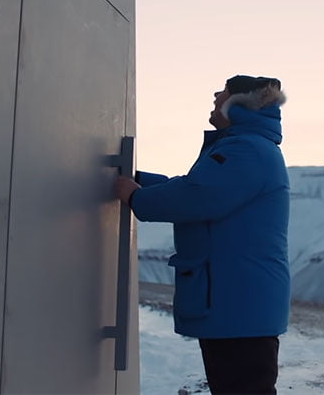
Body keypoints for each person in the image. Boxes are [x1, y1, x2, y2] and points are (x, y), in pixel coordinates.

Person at [114, 75, 290, 394]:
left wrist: (135, 196)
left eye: (223, 90)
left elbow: (196, 197)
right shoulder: (246, 148)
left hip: (238, 303)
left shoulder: (245, 149)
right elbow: (194, 187)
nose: (214, 94)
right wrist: (141, 181)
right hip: (239, 303)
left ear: (239, 103)